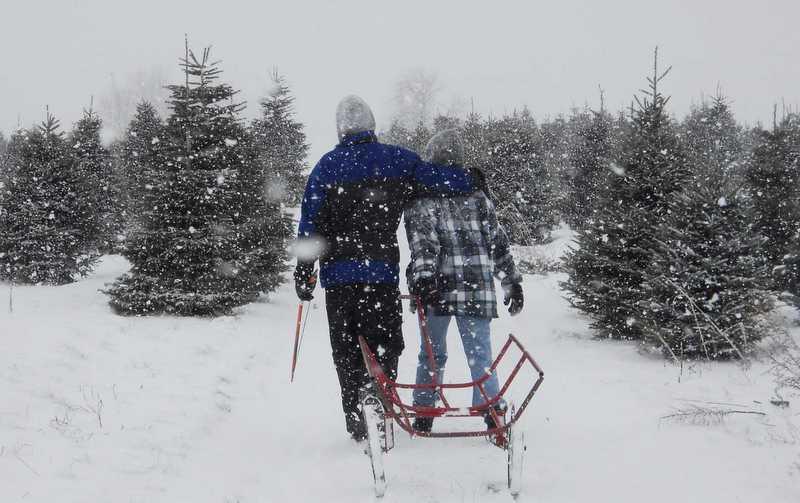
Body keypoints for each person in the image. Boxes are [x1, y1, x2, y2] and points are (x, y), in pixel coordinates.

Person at [294, 96, 476, 441]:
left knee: (346, 351)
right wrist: (468, 179)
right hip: (379, 277)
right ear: (372, 124)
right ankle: (379, 401)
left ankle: (357, 421)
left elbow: (310, 222)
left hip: (340, 281)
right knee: (385, 344)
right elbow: (434, 178)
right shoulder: (396, 160)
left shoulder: (326, 167)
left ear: (340, 128)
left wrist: (304, 270)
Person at [404, 129, 524, 433]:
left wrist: (423, 278)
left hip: (437, 290)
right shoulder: (477, 194)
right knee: (480, 354)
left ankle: (424, 409)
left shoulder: (423, 196)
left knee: (432, 353)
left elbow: (423, 244)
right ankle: (490, 408)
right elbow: (497, 241)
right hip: (476, 287)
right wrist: (511, 280)